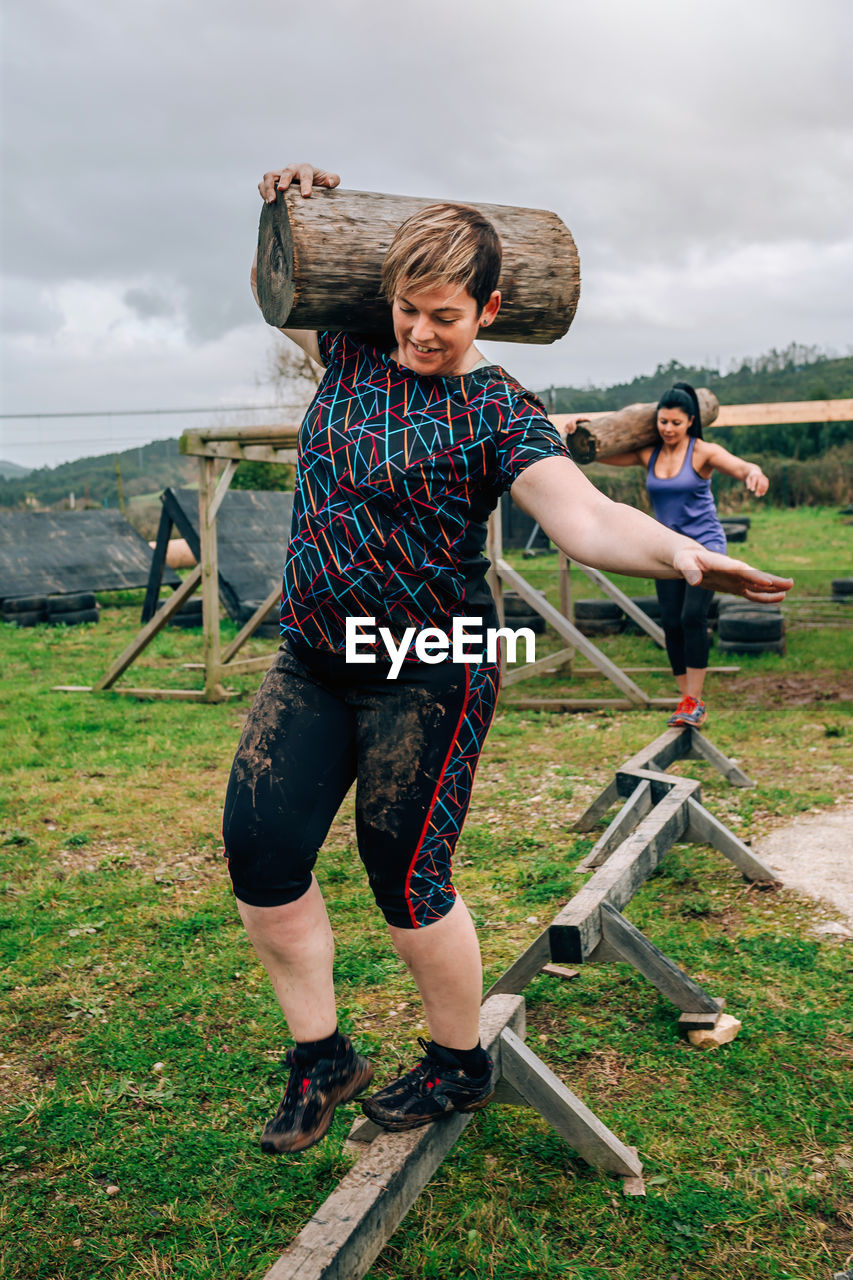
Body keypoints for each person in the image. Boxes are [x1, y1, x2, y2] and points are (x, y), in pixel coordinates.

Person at [223, 162, 791, 1156]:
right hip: (314, 655)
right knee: (262, 856)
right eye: (406, 309)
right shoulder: (353, 351)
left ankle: (458, 1060)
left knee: (405, 876)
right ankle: (320, 1055)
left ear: (489, 305)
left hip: (428, 661)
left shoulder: (497, 409)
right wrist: (295, 203)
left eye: (443, 314)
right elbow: (289, 284)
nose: (418, 332)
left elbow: (586, 518)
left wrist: (683, 554)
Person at [568, 382, 769, 727]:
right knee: (672, 623)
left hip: (705, 548)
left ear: (690, 421)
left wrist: (754, 472)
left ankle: (696, 700)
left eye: (676, 423)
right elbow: (597, 453)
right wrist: (584, 432)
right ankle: (685, 699)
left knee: (693, 617)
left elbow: (739, 466)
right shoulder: (650, 454)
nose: (668, 429)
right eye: (663, 422)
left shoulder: (703, 452)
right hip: (666, 550)